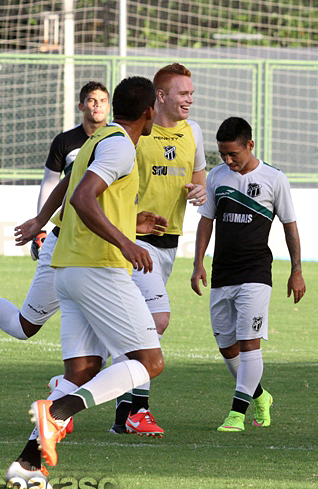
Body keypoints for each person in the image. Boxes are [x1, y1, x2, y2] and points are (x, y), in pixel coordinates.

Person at [24, 76, 168, 476]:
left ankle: (28, 464)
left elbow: (71, 184)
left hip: (68, 270)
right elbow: (83, 197)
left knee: (83, 371)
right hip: (97, 268)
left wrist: (40, 217)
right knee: (149, 362)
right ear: (149, 113)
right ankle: (57, 412)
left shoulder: (95, 140)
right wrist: (126, 242)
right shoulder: (121, 145)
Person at [191, 116, 305, 432]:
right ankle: (259, 395)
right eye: (223, 155)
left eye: (234, 155)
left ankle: (237, 414)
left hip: (256, 274)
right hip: (221, 274)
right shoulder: (216, 177)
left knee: (248, 342)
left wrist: (297, 271)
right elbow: (206, 221)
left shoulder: (274, 179)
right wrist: (198, 262)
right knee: (226, 346)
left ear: (250, 145)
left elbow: (290, 227)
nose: (228, 161)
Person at [111, 63, 207, 437]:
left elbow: (199, 179)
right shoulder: (136, 134)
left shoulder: (193, 132)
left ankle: (120, 409)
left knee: (135, 327)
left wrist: (201, 191)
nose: (190, 99)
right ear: (161, 97)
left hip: (169, 242)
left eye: (192, 93)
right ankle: (138, 409)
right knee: (154, 321)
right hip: (136, 241)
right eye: (183, 93)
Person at [0, 81, 110, 341]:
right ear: (81, 105)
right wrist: (41, 226)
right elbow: (53, 183)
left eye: (103, 101)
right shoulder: (66, 141)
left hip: (99, 246)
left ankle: (85, 379)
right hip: (67, 237)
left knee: (101, 323)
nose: (97, 106)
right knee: (23, 327)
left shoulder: (118, 142)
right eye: (92, 100)